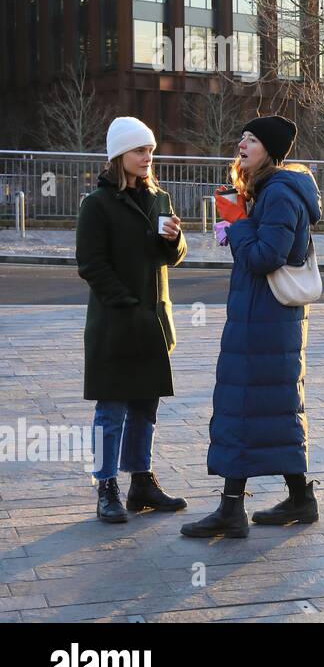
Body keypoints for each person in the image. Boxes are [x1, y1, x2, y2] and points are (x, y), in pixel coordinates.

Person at [183, 115, 323, 538]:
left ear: (270, 150)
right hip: (263, 319)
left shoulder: (279, 193)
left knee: (246, 406)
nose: (241, 144)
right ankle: (300, 499)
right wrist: (237, 224)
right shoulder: (268, 190)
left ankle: (231, 509)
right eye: (241, 136)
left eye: (252, 139)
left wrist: (238, 226)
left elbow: (265, 256)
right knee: (270, 408)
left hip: (265, 320)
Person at [76, 117, 188, 524]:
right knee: (111, 409)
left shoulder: (160, 198)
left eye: (150, 151)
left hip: (154, 321)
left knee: (145, 407)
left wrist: (174, 239)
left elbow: (172, 257)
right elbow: (91, 264)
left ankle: (141, 482)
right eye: (140, 150)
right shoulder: (97, 204)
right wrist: (125, 306)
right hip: (115, 324)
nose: (148, 157)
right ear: (119, 155)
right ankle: (106, 486)